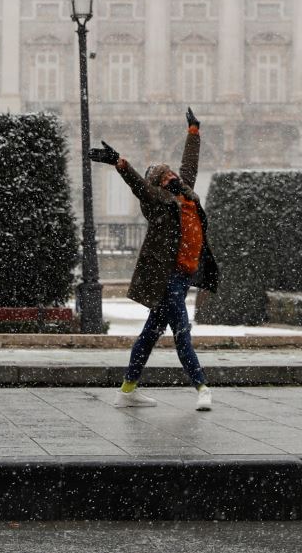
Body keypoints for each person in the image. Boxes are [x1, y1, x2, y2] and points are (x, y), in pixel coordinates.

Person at [89, 107, 220, 410]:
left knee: (150, 333)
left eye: (170, 172)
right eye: (164, 176)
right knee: (182, 332)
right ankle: (202, 387)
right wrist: (121, 164)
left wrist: (193, 133)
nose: (171, 175)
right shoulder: (160, 204)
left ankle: (127, 390)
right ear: (159, 185)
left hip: (183, 276)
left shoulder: (186, 194)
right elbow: (140, 186)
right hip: (170, 278)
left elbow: (190, 164)